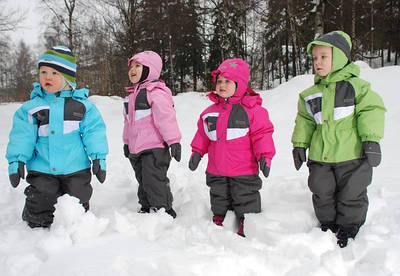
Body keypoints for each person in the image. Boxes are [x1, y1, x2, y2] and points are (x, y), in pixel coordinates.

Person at [291, 31, 386, 248]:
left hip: (352, 155)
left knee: (352, 193)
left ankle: (349, 226)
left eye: (324, 56)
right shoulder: (309, 93)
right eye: (315, 58)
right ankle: (328, 224)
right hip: (320, 157)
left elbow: (372, 110)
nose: (318, 62)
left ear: (340, 57)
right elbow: (304, 120)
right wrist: (299, 144)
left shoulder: (357, 87)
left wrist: (371, 139)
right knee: (321, 190)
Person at [6, 45, 109, 228]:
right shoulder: (32, 107)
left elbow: (94, 132)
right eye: (43, 72)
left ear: (67, 77)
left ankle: (76, 223)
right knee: (40, 198)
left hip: (75, 167)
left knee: (79, 199)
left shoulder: (82, 106)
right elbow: (22, 135)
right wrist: (17, 160)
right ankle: (36, 220)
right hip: (43, 168)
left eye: (54, 73)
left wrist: (99, 158)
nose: (47, 77)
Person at [189, 58, 275, 237]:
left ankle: (247, 221)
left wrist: (265, 157)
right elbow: (202, 134)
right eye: (219, 81)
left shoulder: (252, 110)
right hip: (217, 169)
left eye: (228, 81)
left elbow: (262, 135)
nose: (222, 85)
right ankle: (219, 217)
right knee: (219, 195)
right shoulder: (209, 112)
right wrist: (197, 152)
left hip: (243, 170)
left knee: (245, 196)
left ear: (241, 84)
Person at [123, 50, 181, 218]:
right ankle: (147, 205)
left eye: (138, 66)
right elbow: (128, 123)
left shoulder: (156, 93)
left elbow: (166, 118)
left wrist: (173, 141)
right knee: (142, 179)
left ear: (150, 69)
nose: (132, 70)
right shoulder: (130, 97)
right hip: (136, 148)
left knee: (153, 179)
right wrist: (127, 142)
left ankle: (163, 208)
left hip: (154, 147)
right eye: (131, 66)